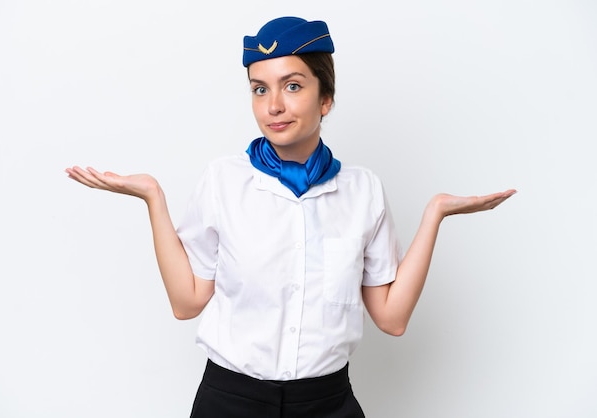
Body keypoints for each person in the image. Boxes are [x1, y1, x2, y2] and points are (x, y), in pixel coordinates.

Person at [66, 16, 515, 418]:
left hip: (327, 402)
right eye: (260, 89)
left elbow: (392, 318)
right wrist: (153, 198)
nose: (273, 105)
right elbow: (187, 303)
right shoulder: (223, 181)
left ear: (326, 99)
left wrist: (435, 213)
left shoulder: (362, 191)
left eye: (293, 85)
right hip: (230, 402)